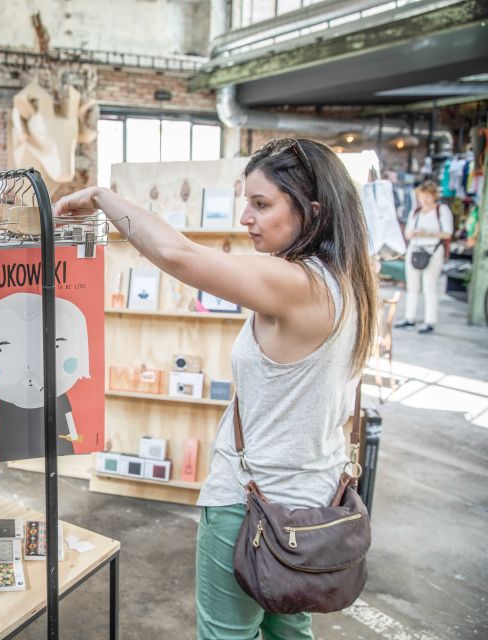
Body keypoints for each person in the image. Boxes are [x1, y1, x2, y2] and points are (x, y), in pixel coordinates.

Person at [55, 138, 376, 640]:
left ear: (312, 211)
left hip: (253, 506)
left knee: (227, 634)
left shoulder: (298, 284)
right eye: (247, 201)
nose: (246, 217)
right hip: (315, 502)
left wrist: (101, 196)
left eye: (261, 204)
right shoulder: (348, 281)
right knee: (289, 631)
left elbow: (178, 255)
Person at [394, 180, 453, 334]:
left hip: (433, 251)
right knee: (412, 286)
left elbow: (447, 233)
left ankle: (429, 321)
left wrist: (427, 233)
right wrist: (415, 233)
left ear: (434, 196)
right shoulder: (416, 211)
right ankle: (409, 318)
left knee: (429, 286)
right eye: (422, 196)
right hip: (414, 250)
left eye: (427, 196)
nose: (424, 200)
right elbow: (407, 234)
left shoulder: (441, 210)